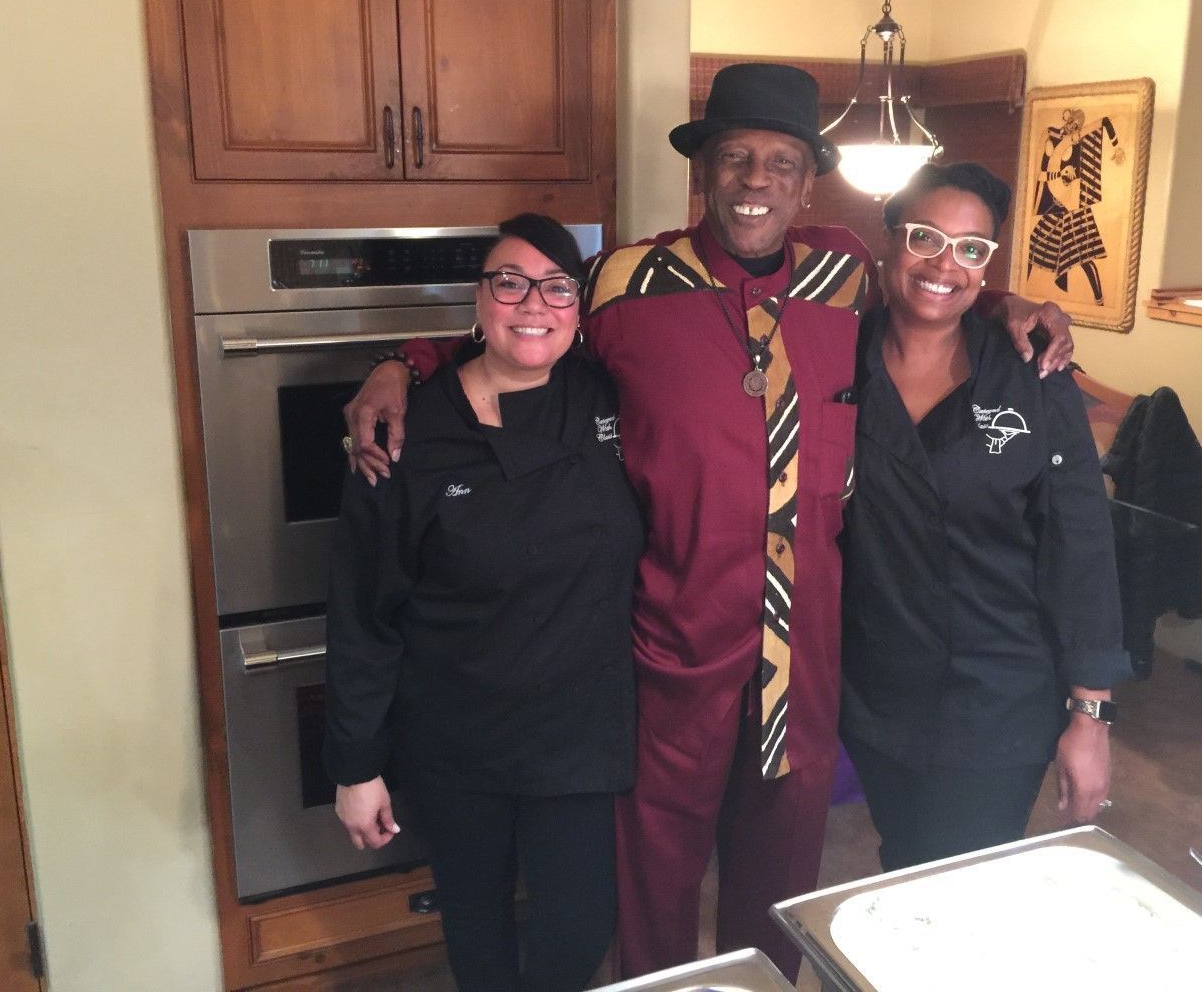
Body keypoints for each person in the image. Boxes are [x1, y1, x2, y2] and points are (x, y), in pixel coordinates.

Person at [343, 64, 1075, 979]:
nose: (755, 180)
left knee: (780, 890)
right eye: (734, 158)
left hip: (803, 658)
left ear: (808, 180)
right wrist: (399, 363)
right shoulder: (624, 285)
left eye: (779, 162)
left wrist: (1018, 304)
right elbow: (521, 338)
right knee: (650, 886)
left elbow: (940, 295)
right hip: (666, 650)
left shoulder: (847, 277)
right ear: (704, 173)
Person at [322, 214, 643, 992]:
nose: (532, 303)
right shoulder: (404, 434)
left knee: (579, 927)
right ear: (479, 300)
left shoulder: (618, 396)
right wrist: (356, 768)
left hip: (580, 734)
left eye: (556, 287)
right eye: (509, 282)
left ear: (579, 309)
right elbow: (363, 612)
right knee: (476, 925)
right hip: (457, 737)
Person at [839, 162, 1133, 874]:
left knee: (963, 879)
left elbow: (1082, 545)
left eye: (972, 249)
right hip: (876, 689)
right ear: (887, 241)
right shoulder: (834, 358)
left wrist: (1090, 717)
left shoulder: (1031, 373)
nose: (947, 263)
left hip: (997, 697)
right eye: (926, 237)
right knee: (903, 858)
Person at [1028, 108, 1125, 304]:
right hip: (1055, 208)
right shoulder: (1051, 136)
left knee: (1084, 256)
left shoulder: (1079, 143)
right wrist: (1059, 177)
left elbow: (1105, 120)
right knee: (1034, 248)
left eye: (1075, 125)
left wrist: (1116, 145)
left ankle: (1100, 301)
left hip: (1074, 209)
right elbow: (1042, 175)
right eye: (1069, 122)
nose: (1071, 127)